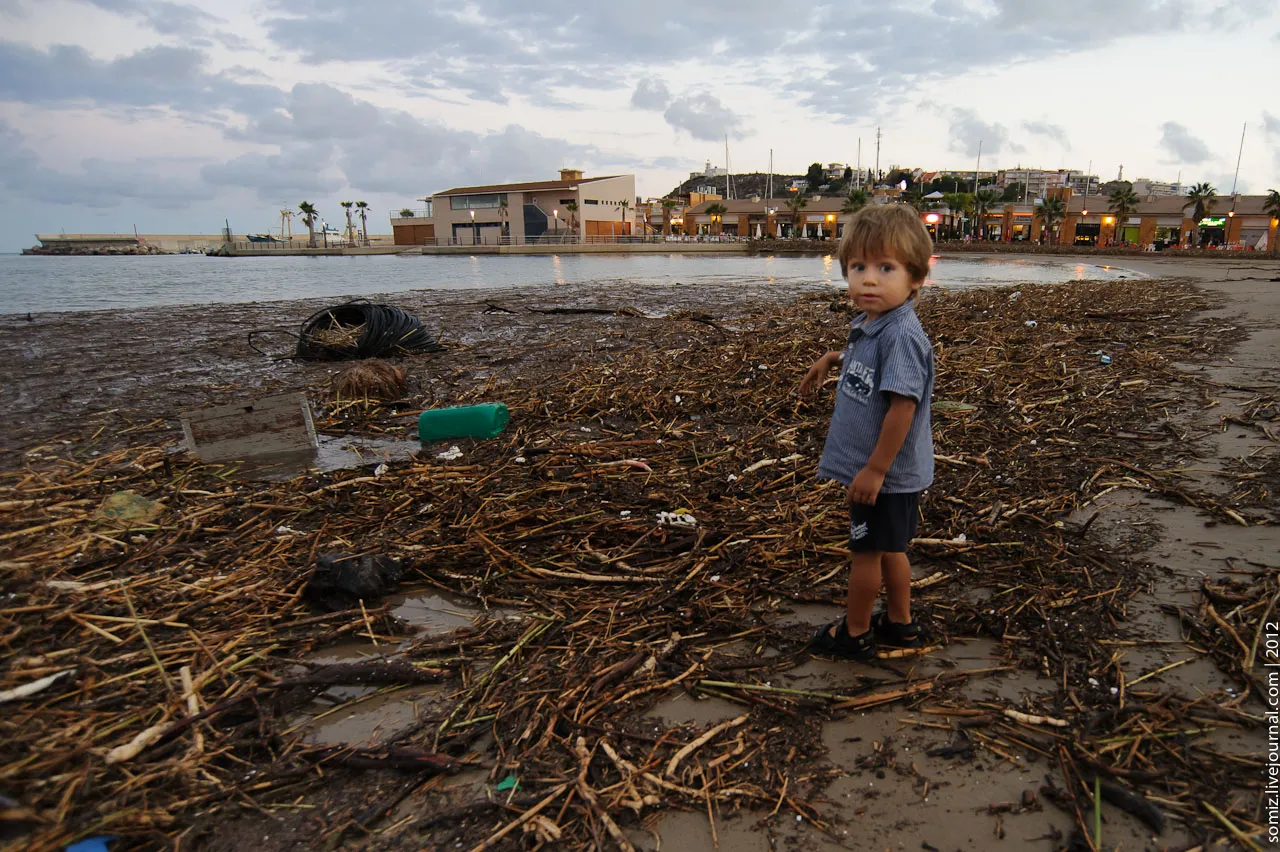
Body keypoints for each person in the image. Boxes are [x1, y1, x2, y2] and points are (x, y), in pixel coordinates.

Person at [798, 204, 935, 659]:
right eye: (858, 267)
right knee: (892, 548)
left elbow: (903, 406)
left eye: (885, 268)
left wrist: (875, 470)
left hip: (884, 476)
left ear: (916, 278)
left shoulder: (901, 334)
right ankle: (900, 623)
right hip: (885, 475)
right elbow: (864, 360)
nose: (868, 279)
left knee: (866, 554)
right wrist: (832, 359)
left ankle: (854, 634)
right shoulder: (873, 323)